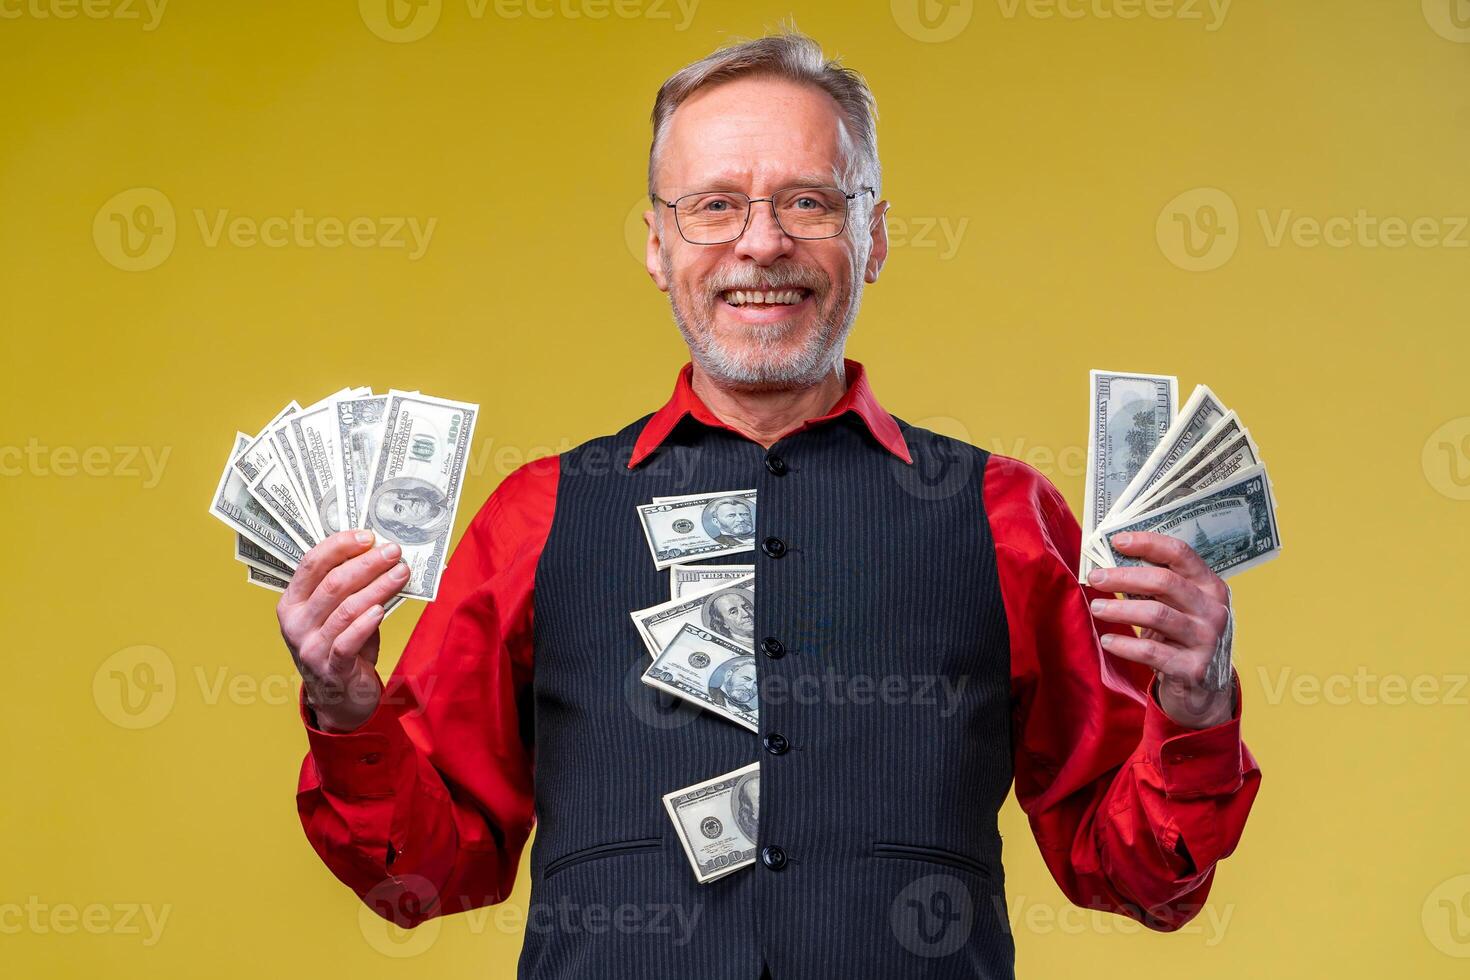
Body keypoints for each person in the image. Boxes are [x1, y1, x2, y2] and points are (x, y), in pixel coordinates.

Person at [277, 28, 1260, 980]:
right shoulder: (537, 516)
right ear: (658, 244)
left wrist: (1196, 705)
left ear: (872, 235)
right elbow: (422, 878)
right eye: (714, 205)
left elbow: (1138, 873)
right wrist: (345, 708)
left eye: (809, 201)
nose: (762, 241)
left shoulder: (1005, 515)